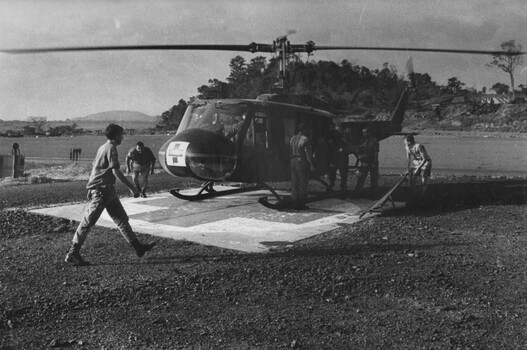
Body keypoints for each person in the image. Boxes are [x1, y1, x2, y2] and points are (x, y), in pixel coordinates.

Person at [65, 124, 156, 266]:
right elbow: (115, 171)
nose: (123, 137)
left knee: (122, 219)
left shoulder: (102, 147)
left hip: (108, 190)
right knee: (88, 222)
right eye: (121, 134)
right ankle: (73, 253)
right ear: (115, 136)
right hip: (101, 191)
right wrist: (132, 188)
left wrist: (90, 185)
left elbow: (96, 168)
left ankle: (138, 248)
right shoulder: (111, 149)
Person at [290, 123, 316, 210]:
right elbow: (308, 153)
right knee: (302, 183)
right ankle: (301, 204)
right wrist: (311, 165)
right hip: (301, 161)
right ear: (304, 130)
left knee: (294, 183)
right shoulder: (305, 139)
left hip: (293, 160)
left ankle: (294, 203)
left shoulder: (292, 138)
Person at [403, 134, 432, 201]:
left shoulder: (418, 146)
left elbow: (424, 159)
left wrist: (418, 169)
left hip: (425, 163)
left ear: (409, 141)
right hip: (416, 162)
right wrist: (407, 169)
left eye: (405, 141)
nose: (404, 143)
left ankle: (423, 196)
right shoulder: (407, 147)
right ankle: (413, 195)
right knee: (412, 179)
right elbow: (408, 159)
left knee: (423, 180)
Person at [355, 127, 379, 197]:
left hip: (372, 162)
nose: (364, 134)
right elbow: (358, 151)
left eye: (365, 132)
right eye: (363, 132)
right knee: (361, 178)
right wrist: (359, 160)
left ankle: (374, 194)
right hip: (364, 163)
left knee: (374, 180)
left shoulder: (374, 141)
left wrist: (374, 162)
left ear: (369, 132)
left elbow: (376, 153)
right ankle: (357, 193)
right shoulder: (362, 141)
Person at [327, 123, 349, 191]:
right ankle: (334, 185)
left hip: (340, 159)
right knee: (334, 173)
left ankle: (342, 188)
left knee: (342, 174)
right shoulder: (335, 138)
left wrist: (333, 161)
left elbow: (336, 150)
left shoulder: (338, 139)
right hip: (339, 159)